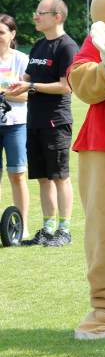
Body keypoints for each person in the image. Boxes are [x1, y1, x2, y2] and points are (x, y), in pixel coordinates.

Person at [8, 0, 79, 247]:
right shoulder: (39, 46)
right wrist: (10, 87)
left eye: (41, 13)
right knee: (43, 178)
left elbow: (65, 86)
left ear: (57, 16)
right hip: (33, 121)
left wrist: (30, 86)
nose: (36, 17)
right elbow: (23, 79)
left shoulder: (67, 47)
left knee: (60, 176)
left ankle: (64, 229)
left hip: (55, 122)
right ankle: (48, 229)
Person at [0, 14, 29, 239]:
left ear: (12, 35)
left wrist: (6, 93)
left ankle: (22, 225)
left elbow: (29, 94)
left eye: (1, 32)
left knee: (17, 175)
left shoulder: (21, 59)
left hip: (16, 124)